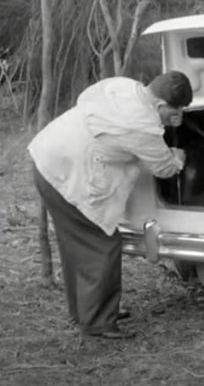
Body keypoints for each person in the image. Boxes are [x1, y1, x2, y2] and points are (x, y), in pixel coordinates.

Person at [29, 71, 192, 338]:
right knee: (102, 245)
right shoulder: (142, 126)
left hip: (48, 156)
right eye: (175, 111)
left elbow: (87, 99)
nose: (178, 115)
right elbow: (163, 168)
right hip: (67, 174)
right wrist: (178, 157)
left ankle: (86, 311)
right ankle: (98, 322)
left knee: (77, 244)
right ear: (161, 105)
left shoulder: (123, 86)